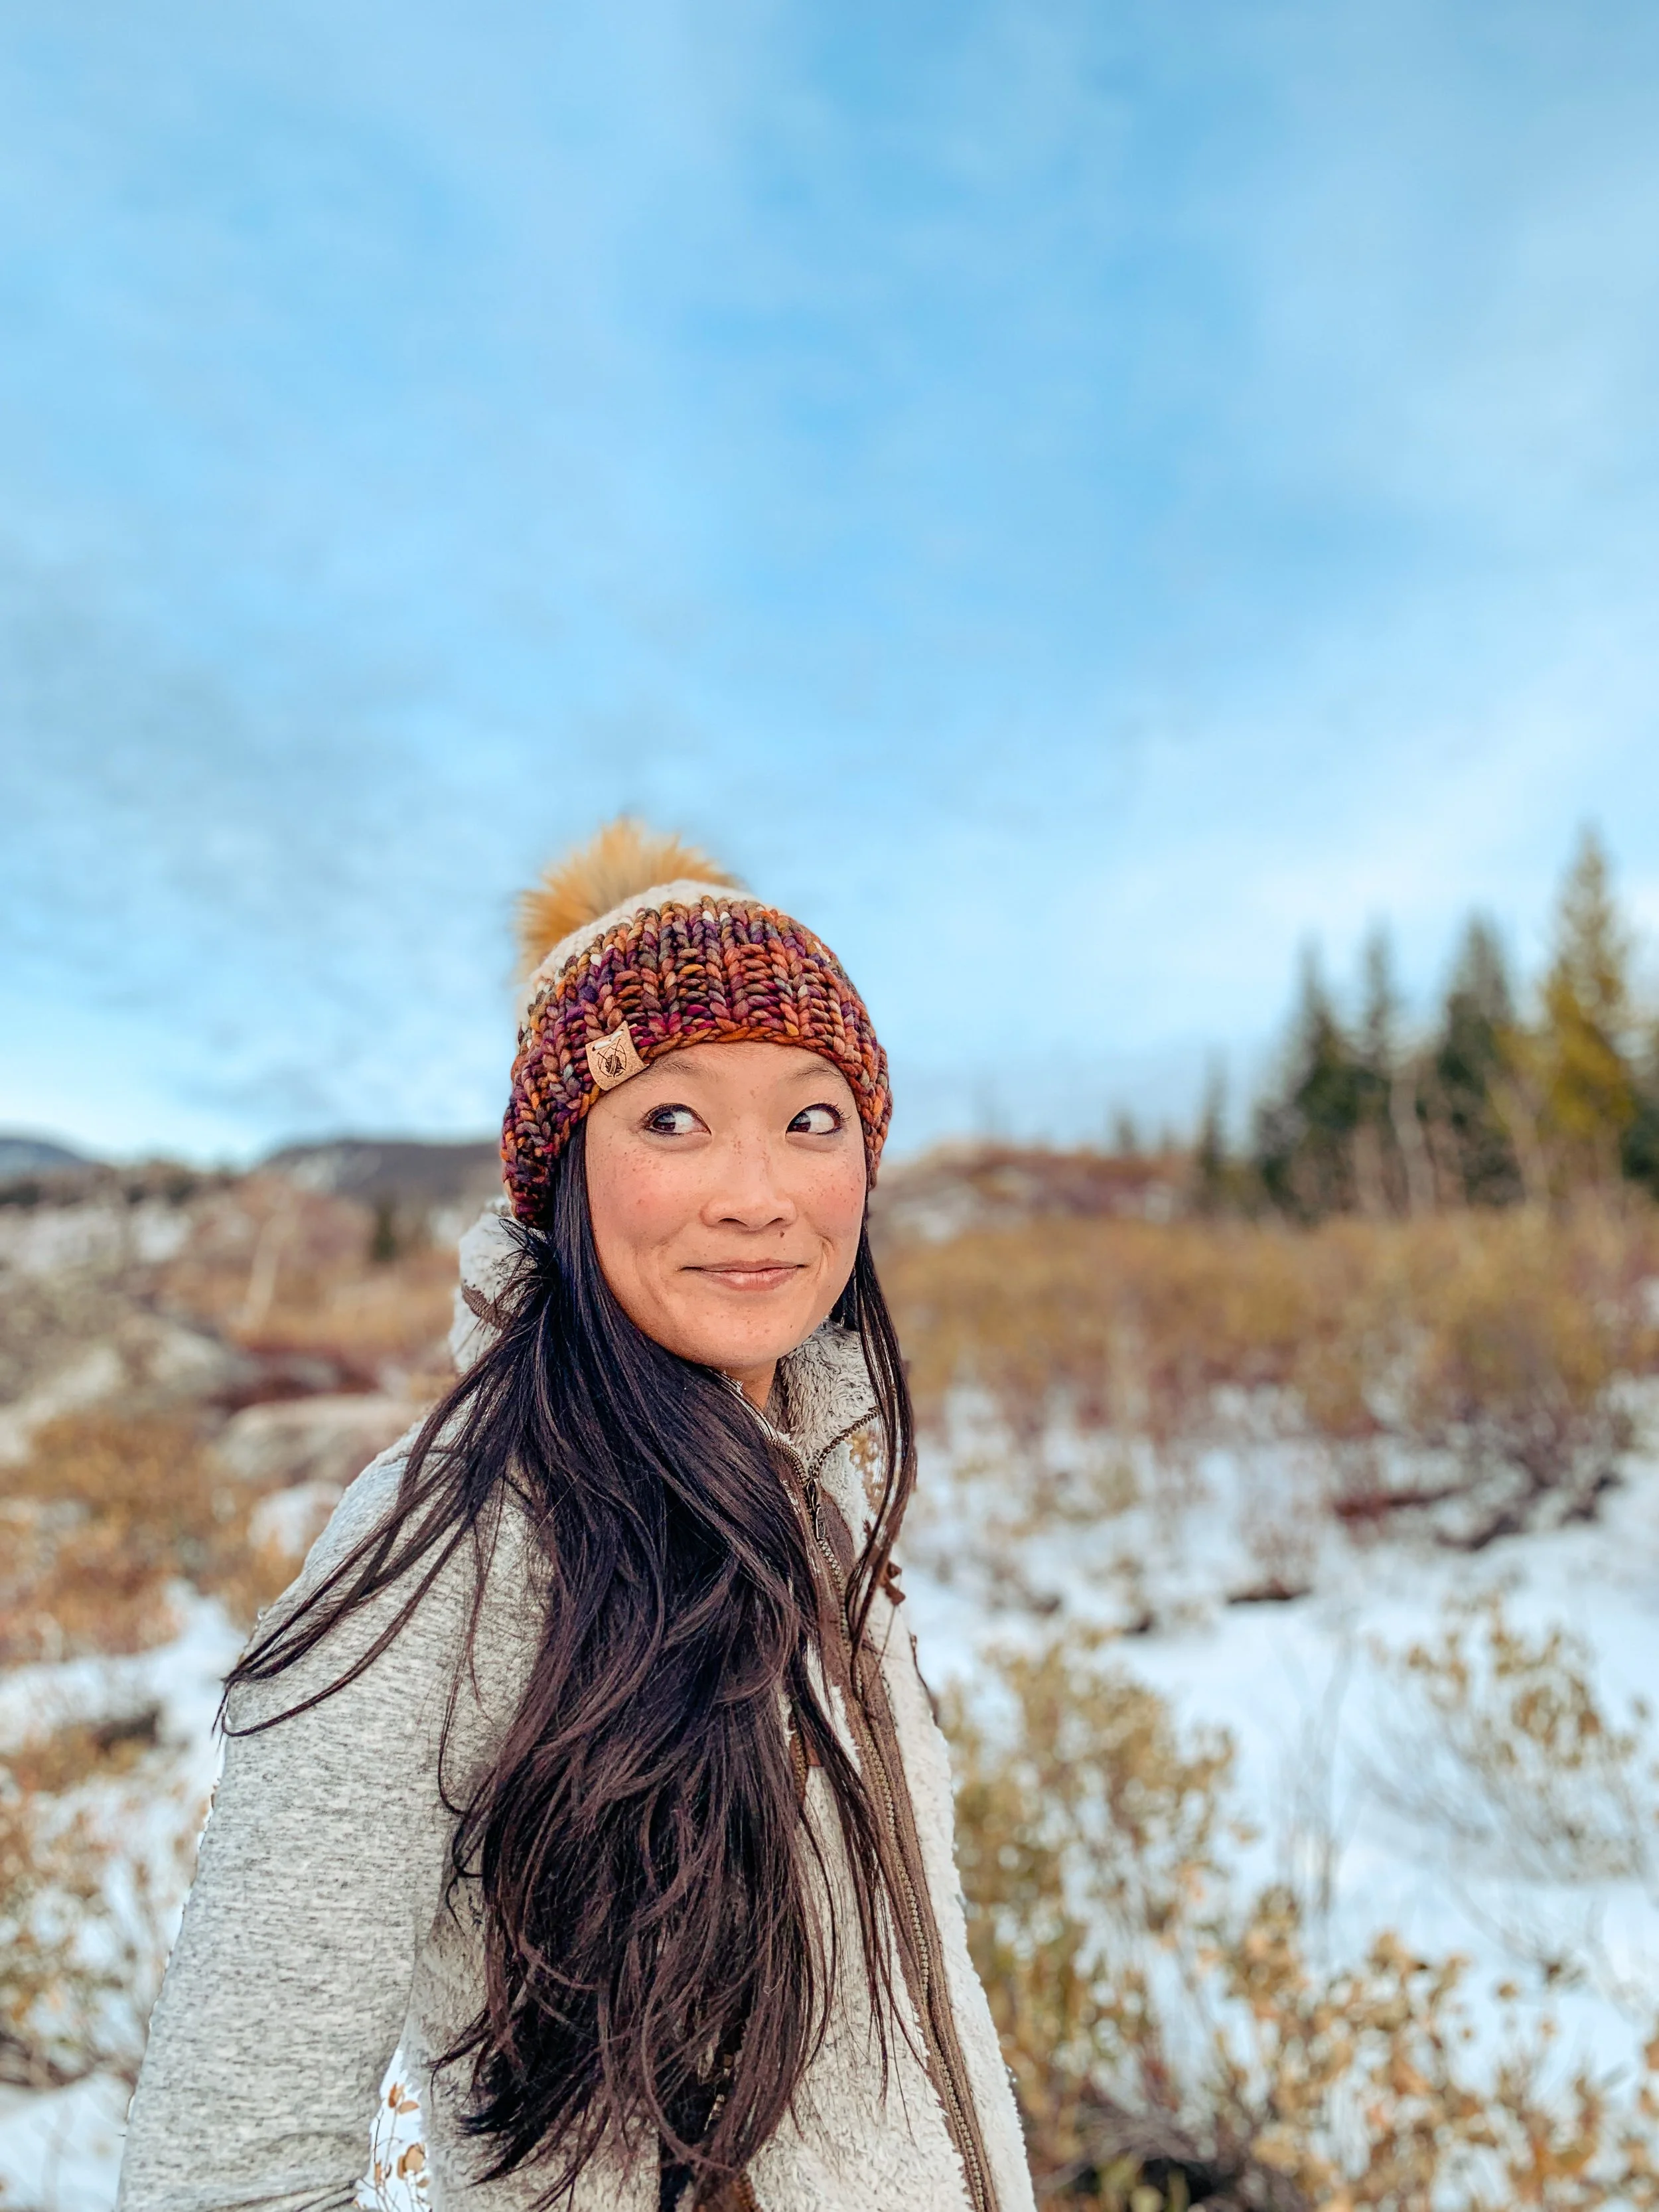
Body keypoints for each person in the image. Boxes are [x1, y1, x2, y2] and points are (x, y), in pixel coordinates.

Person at [117, 822, 1035, 2212]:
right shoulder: (452, 1542)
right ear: (562, 1170)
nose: (756, 1195)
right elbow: (225, 2167)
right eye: (670, 1118)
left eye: (811, 1118)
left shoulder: (822, 1502)